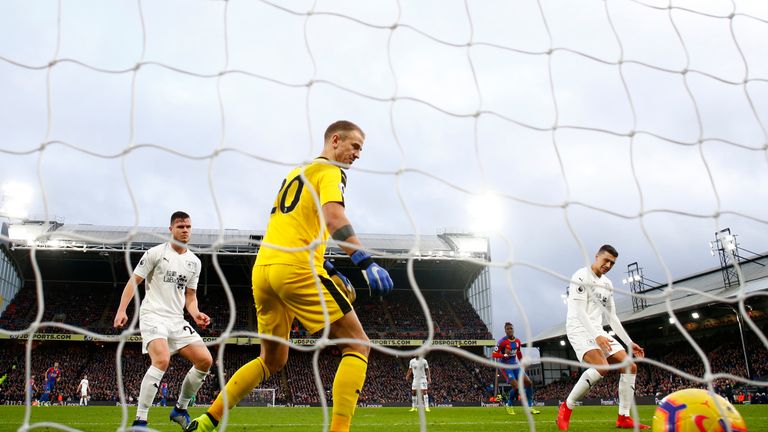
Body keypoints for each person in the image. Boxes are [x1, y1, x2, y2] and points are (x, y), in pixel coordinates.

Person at [186, 120, 393, 432]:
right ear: (335, 140)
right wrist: (365, 262)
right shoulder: (331, 172)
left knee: (272, 361)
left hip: (265, 271)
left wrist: (331, 269)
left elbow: (297, 228)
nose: (358, 155)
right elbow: (334, 216)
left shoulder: (296, 173)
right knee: (357, 345)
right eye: (355, 146)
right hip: (296, 270)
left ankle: (206, 420)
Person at [114, 211, 213, 430]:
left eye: (188, 226)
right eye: (180, 226)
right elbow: (134, 281)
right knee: (162, 359)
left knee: (205, 360)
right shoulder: (155, 253)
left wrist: (196, 314)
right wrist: (122, 310)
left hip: (177, 320)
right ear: (171, 229)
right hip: (153, 315)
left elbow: (190, 297)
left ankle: (180, 409)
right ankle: (140, 421)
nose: (185, 230)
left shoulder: (194, 262)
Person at [556, 245, 649, 430]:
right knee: (602, 368)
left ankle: (623, 417)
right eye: (605, 260)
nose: (608, 265)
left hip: (597, 329)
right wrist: (597, 336)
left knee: (630, 366)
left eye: (612, 263)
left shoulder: (607, 284)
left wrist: (629, 343)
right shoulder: (581, 277)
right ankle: (566, 407)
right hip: (579, 328)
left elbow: (612, 317)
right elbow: (580, 312)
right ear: (596, 256)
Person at [492, 322, 539, 415]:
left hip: (515, 365)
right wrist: (503, 355)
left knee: (529, 383)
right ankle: (509, 405)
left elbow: (518, 352)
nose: (509, 330)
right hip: (505, 366)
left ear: (513, 329)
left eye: (511, 328)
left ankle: (530, 407)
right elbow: (494, 354)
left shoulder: (517, 341)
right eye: (507, 329)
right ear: (505, 331)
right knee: (516, 387)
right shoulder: (501, 342)